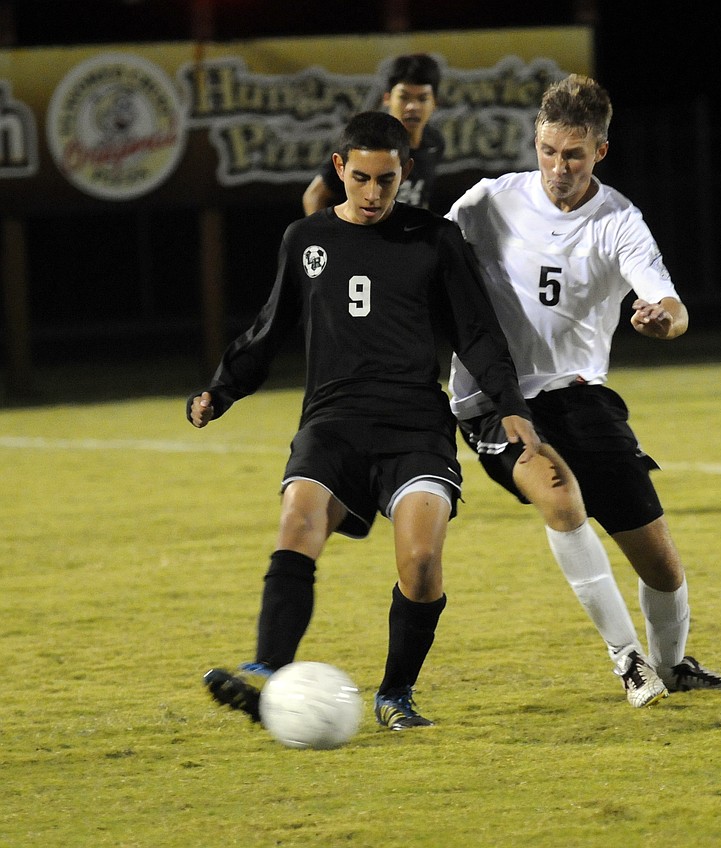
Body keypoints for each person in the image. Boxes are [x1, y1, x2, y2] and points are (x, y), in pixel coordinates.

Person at [188, 111, 542, 731]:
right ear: (338, 169)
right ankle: (267, 671)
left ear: (405, 172)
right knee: (298, 518)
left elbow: (475, 332)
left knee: (423, 561)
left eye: (387, 179)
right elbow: (270, 329)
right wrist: (222, 391)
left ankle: (395, 694)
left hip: (413, 424)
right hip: (333, 419)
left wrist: (510, 404)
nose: (374, 194)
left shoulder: (434, 238)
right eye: (361, 178)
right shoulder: (305, 238)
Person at [447, 74, 721, 707]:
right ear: (536, 141)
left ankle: (670, 666)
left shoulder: (618, 220)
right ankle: (626, 658)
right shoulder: (487, 202)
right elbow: (424, 267)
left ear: (600, 151)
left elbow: (670, 303)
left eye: (573, 155)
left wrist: (662, 318)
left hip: (580, 397)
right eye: (548, 151)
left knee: (661, 565)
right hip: (493, 399)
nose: (557, 167)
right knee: (559, 495)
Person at [302, 53, 443, 214]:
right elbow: (314, 195)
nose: (412, 106)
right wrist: (322, 238)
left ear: (435, 102)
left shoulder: (435, 143)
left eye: (422, 98)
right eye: (404, 97)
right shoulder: (365, 142)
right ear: (387, 98)